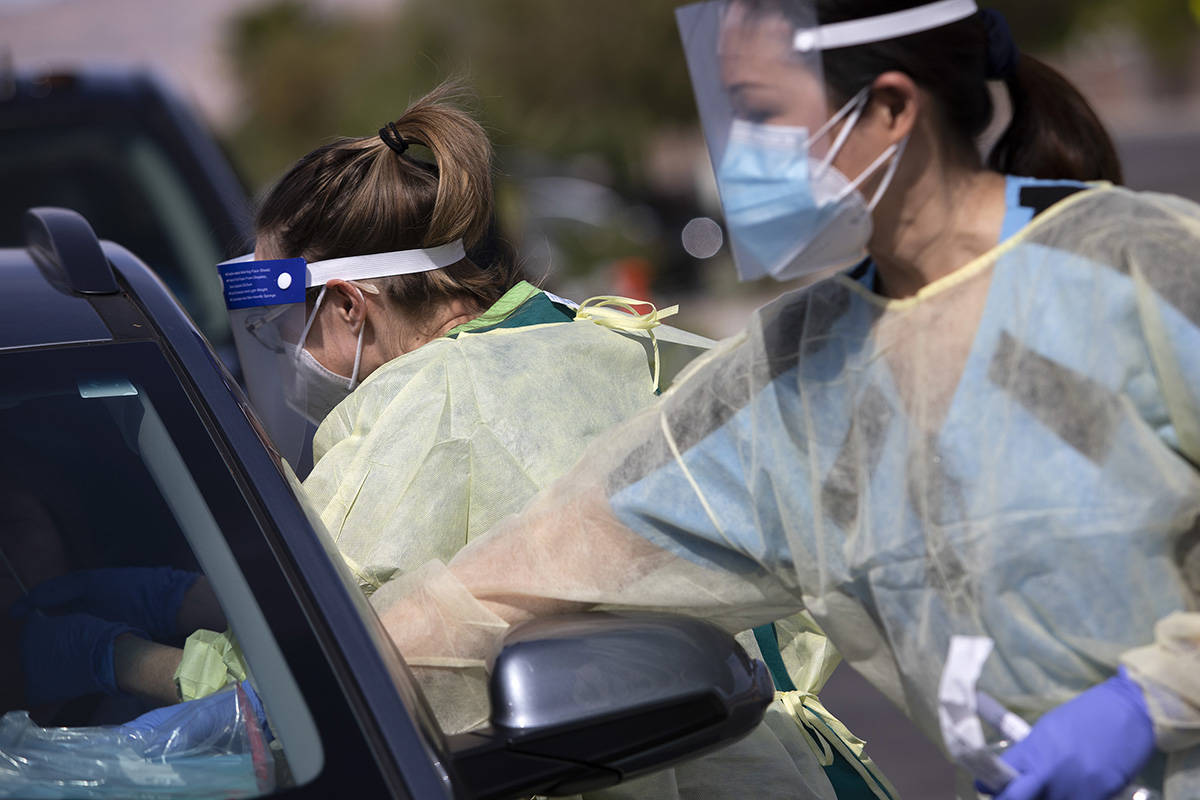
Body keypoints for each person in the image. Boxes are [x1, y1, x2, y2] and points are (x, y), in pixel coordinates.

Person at [362, 3, 1200, 800]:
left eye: (760, 113)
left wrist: (1150, 701)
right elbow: (532, 567)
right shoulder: (801, 372)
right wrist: (301, 700)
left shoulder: (1137, 269)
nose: (739, 156)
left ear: (891, 109)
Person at [12, 84, 883, 800]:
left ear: (350, 306)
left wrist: (111, 653)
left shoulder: (428, 415)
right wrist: (165, 595)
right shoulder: (592, 338)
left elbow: (321, 687)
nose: (282, 348)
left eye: (286, 321)